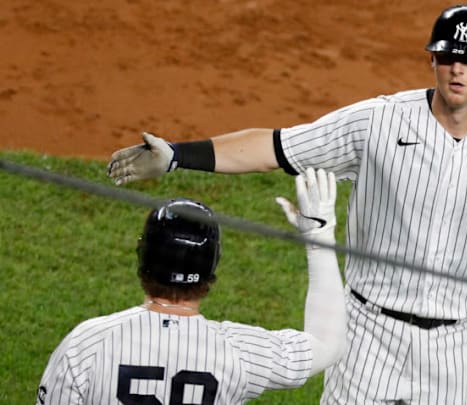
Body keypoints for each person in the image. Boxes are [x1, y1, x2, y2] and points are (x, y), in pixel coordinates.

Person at [107, 4, 467, 404]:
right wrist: (178, 155)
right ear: (434, 62)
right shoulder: (378, 122)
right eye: (446, 57)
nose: (456, 69)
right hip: (369, 335)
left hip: (457, 349)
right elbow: (275, 146)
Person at [37, 168, 345, 404]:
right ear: (211, 270)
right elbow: (325, 345)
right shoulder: (238, 353)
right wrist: (320, 237)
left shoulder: (87, 343)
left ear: (143, 260)